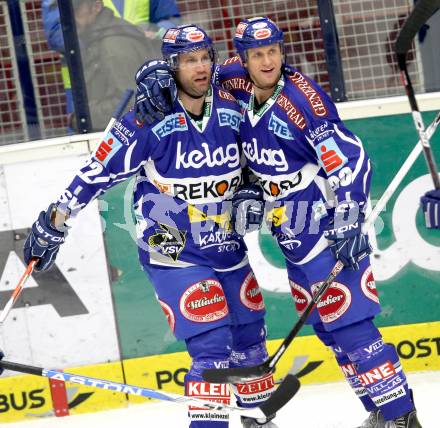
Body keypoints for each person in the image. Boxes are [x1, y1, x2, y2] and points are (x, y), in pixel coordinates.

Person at [133, 16, 424, 428]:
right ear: (243, 57)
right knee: (328, 329)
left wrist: (350, 216)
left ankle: (402, 417)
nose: (267, 61)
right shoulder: (231, 79)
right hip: (290, 236)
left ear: (282, 51)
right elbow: (189, 77)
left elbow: (352, 159)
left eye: (273, 51)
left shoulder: (305, 102)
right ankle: (380, 414)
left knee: (351, 326)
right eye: (257, 54)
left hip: (323, 229)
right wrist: (150, 76)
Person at [23, 24, 278, 428]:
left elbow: (257, 158)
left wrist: (251, 188)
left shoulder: (232, 108)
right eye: (188, 60)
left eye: (204, 58)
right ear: (171, 66)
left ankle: (258, 421)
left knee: (249, 340)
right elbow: (97, 170)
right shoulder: (149, 116)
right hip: (173, 249)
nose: (199, 68)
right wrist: (57, 219)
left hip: (226, 244)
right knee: (212, 346)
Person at [41, 0, 180, 130]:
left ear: (96, 7)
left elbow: (130, 105)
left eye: (77, 11)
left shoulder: (112, 46)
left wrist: (82, 118)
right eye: (70, 11)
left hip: (128, 136)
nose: (71, 19)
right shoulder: (99, 38)